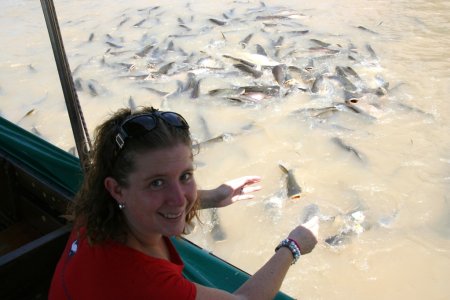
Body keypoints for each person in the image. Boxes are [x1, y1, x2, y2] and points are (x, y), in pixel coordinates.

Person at [48, 106, 318, 300]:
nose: (179, 198)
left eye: (185, 176)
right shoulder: (148, 282)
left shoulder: (96, 212)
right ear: (117, 190)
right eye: (156, 182)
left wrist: (215, 196)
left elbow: (161, 202)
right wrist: (292, 246)